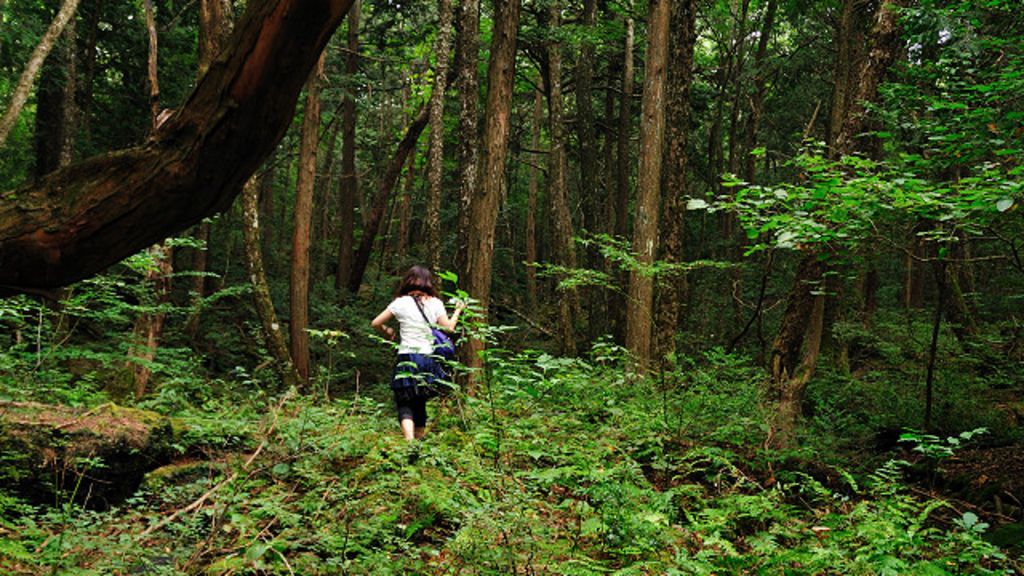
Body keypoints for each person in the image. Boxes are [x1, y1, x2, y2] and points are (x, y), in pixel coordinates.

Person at [371, 265, 465, 441]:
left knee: (404, 400)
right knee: (420, 400)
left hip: (407, 355)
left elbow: (375, 322)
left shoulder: (400, 302)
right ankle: (419, 442)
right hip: (428, 357)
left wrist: (388, 332)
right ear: (428, 283)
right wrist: (458, 310)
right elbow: (449, 328)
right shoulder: (435, 303)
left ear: (408, 282)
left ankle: (409, 439)